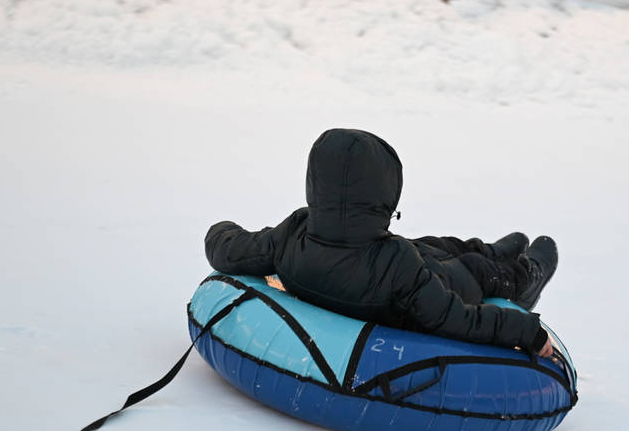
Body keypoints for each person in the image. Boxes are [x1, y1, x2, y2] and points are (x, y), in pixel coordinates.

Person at [204, 128, 558, 357]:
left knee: (435, 243)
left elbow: (229, 249)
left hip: (391, 259)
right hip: (438, 285)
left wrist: (222, 230)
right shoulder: (395, 261)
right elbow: (454, 320)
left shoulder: (292, 234)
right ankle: (521, 277)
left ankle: (491, 249)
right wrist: (527, 331)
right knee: (473, 268)